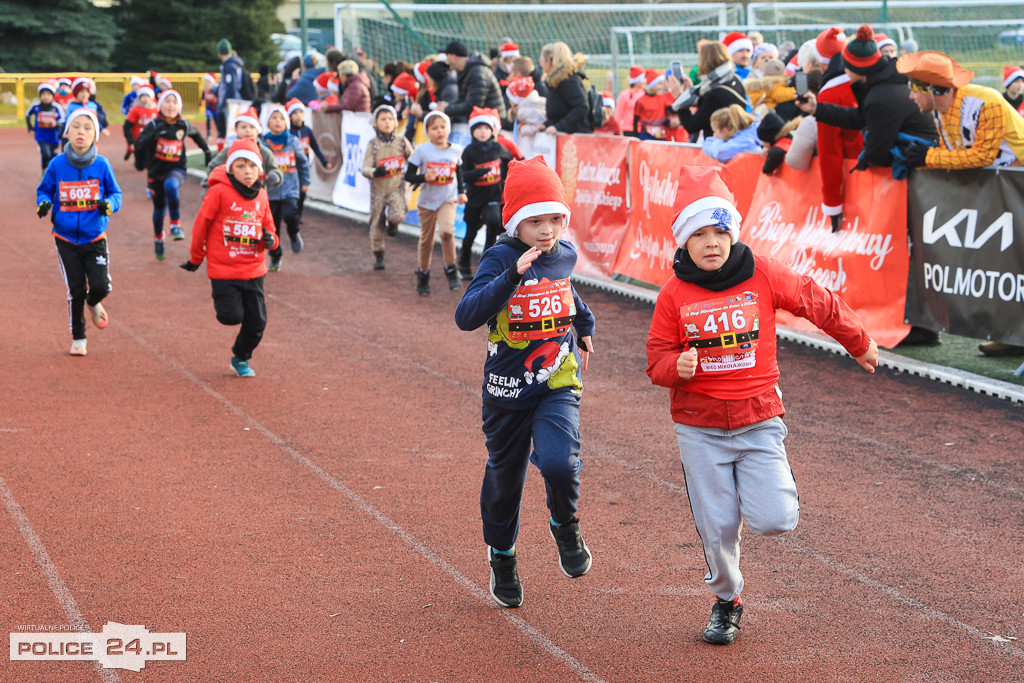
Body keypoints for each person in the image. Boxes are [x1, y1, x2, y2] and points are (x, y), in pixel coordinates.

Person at [645, 166, 877, 646]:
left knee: (775, 519)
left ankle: (764, 487)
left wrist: (858, 342)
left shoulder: (764, 272)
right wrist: (676, 367)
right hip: (699, 428)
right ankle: (727, 602)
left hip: (758, 420)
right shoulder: (672, 294)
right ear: (683, 241)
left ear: (733, 233)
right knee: (719, 528)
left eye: (720, 231)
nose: (712, 243)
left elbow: (817, 301)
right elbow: (655, 359)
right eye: (700, 234)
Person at [454, 156, 596, 609]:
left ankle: (564, 524)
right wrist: (511, 278)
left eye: (556, 218)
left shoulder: (564, 254)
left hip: (557, 379)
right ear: (516, 221)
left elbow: (565, 288)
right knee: (505, 481)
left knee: (559, 462)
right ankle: (502, 556)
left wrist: (585, 323)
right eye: (535, 221)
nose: (547, 230)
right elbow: (467, 315)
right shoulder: (500, 257)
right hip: (506, 392)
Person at [895, 51, 1024, 359]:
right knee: (1001, 265)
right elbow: (951, 152)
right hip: (1001, 194)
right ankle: (1010, 334)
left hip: (1016, 192)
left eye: (915, 88)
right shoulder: (940, 113)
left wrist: (927, 158)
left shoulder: (986, 102)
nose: (911, 96)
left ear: (933, 90)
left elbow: (980, 156)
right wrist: (925, 159)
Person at [180, 138, 277, 378]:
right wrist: (196, 257)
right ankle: (235, 317)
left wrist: (271, 241)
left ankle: (240, 356)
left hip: (254, 270)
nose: (247, 171)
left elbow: (271, 229)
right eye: (241, 165)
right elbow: (201, 226)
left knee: (257, 323)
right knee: (230, 316)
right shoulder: (218, 192)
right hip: (223, 269)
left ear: (260, 169)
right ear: (230, 168)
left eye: (252, 166)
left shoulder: (262, 196)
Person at [36, 108, 122, 357]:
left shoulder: (102, 164)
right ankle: (79, 337)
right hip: (65, 238)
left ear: (95, 134)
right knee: (75, 290)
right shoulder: (57, 164)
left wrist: (110, 205)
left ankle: (93, 302)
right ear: (67, 133)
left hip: (94, 237)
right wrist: (43, 202)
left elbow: (116, 193)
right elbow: (44, 190)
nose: (81, 132)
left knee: (100, 286)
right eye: (76, 127)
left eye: (87, 127)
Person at [796, 26, 936, 174]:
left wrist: (872, 159)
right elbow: (861, 118)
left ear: (858, 68)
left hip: (920, 171)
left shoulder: (880, 96)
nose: (845, 71)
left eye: (847, 66)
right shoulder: (881, 83)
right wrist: (817, 109)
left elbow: (876, 153)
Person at [133, 89, 213, 260]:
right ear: (161, 105)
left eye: (174, 102)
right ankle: (158, 238)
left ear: (179, 107)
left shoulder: (183, 125)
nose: (171, 105)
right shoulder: (154, 125)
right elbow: (139, 144)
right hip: (155, 172)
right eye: (167, 101)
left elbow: (197, 136)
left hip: (176, 168)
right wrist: (140, 163)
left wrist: (207, 152)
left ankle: (175, 225)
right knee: (159, 209)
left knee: (171, 186)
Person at [404, 111, 465, 295]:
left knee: (447, 232)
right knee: (427, 241)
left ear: (448, 129)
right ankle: (423, 274)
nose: (440, 131)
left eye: (443, 127)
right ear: (428, 131)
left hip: (448, 198)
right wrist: (424, 177)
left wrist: (462, 192)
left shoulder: (456, 150)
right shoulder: (422, 150)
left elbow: (459, 172)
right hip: (427, 201)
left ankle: (451, 268)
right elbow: (408, 176)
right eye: (434, 128)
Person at [811, 28, 863, 231]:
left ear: (822, 60)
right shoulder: (868, 81)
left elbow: (829, 152)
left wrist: (832, 204)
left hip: (855, 178)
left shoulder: (830, 93)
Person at [459, 107, 513, 280]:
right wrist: (478, 173)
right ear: (472, 131)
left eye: (486, 128)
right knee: (471, 233)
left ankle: (486, 268)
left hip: (492, 197)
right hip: (475, 198)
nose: (483, 132)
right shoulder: (469, 151)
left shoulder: (498, 148)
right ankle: (464, 265)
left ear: (492, 131)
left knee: (493, 223)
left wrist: (504, 180)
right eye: (478, 128)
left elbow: (509, 162)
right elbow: (462, 174)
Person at [360, 104, 415, 271]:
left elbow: (414, 159)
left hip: (396, 187)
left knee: (398, 215)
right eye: (383, 119)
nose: (387, 122)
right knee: (376, 223)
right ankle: (378, 254)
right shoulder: (372, 144)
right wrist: (376, 171)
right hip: (378, 190)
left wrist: (414, 176)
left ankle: (393, 225)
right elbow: (365, 167)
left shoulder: (401, 142)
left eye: (390, 118)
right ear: (376, 122)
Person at [260, 104, 310, 272]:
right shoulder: (262, 144)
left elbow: (303, 163)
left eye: (281, 118)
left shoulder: (293, 141)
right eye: (274, 118)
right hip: (270, 193)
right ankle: (275, 257)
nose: (278, 121)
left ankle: (294, 233)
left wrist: (305, 182)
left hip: (291, 189)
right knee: (272, 227)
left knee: (290, 215)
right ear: (267, 122)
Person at [668, 41, 748, 141]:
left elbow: (692, 125)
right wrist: (690, 90)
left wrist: (679, 98)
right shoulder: (733, 79)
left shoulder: (715, 94)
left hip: (719, 148)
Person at [440, 40, 507, 123]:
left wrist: (447, 109)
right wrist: (448, 106)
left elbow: (473, 106)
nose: (447, 61)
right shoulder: (466, 71)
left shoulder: (477, 72)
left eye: (447, 57)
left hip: (492, 124)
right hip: (484, 122)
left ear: (453, 57)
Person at [286, 98, 330, 221]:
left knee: (303, 192)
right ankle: (290, 214)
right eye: (295, 113)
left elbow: (315, 148)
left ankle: (298, 215)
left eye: (300, 112)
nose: (298, 116)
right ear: (290, 116)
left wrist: (324, 162)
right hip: (291, 167)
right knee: (292, 192)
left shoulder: (307, 130)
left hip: (304, 166)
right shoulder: (288, 132)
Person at [540, 41, 591, 135]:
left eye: (542, 60)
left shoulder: (569, 81)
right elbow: (559, 113)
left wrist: (558, 127)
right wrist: (546, 125)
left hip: (574, 138)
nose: (541, 63)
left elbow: (581, 107)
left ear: (549, 61)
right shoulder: (554, 82)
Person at [216, 39, 249, 151]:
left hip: (232, 103)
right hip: (236, 102)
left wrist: (225, 102)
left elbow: (231, 86)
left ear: (219, 54)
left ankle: (233, 151)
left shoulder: (229, 66)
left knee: (231, 130)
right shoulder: (235, 63)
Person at [26, 81, 65, 175]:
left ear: (52, 96)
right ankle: (44, 171)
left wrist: (55, 123)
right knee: (46, 154)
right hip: (41, 136)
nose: (46, 96)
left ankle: (52, 174)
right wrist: (30, 128)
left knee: (53, 157)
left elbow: (63, 121)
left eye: (48, 94)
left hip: (54, 137)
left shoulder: (57, 107)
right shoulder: (36, 106)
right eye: (43, 94)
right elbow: (27, 115)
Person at [757, 110, 802, 174]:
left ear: (771, 138)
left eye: (764, 140)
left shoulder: (778, 149)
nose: (763, 144)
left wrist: (771, 151)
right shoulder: (790, 139)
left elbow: (767, 170)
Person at [634, 69, 675, 140]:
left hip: (661, 135)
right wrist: (636, 135)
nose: (661, 87)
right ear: (652, 84)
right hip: (646, 135)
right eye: (659, 84)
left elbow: (671, 110)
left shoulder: (662, 98)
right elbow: (635, 119)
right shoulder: (640, 101)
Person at [122, 85, 158, 162]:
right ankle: (129, 152)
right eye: (143, 96)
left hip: (151, 138)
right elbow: (127, 126)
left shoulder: (156, 110)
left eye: (147, 96)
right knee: (139, 164)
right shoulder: (135, 110)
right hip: (138, 137)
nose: (145, 99)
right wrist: (131, 142)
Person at [614, 65, 646, 136]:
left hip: (642, 129)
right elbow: (618, 114)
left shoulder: (644, 93)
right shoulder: (625, 94)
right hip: (628, 129)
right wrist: (616, 129)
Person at [202, 73, 218, 139]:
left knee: (216, 120)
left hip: (215, 107)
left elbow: (217, 97)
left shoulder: (215, 89)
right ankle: (208, 134)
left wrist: (211, 89)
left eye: (208, 81)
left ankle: (219, 132)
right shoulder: (204, 89)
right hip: (208, 107)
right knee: (208, 119)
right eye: (206, 81)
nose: (206, 83)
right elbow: (203, 97)